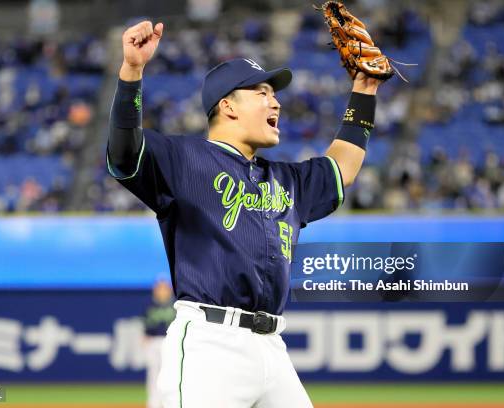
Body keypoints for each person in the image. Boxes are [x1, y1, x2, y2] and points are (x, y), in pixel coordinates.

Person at [107, 20, 382, 408]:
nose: (276, 102)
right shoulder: (184, 159)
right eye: (262, 92)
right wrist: (132, 73)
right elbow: (123, 155)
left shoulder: (285, 180)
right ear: (227, 106)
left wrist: (364, 92)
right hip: (211, 346)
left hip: (273, 348)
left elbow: (342, 168)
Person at [144, 278, 176, 408]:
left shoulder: (174, 305)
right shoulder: (150, 305)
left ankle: (168, 402)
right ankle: (153, 403)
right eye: (160, 288)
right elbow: (146, 326)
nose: (162, 291)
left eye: (164, 288)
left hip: (169, 341)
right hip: (153, 342)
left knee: (170, 373)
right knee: (153, 373)